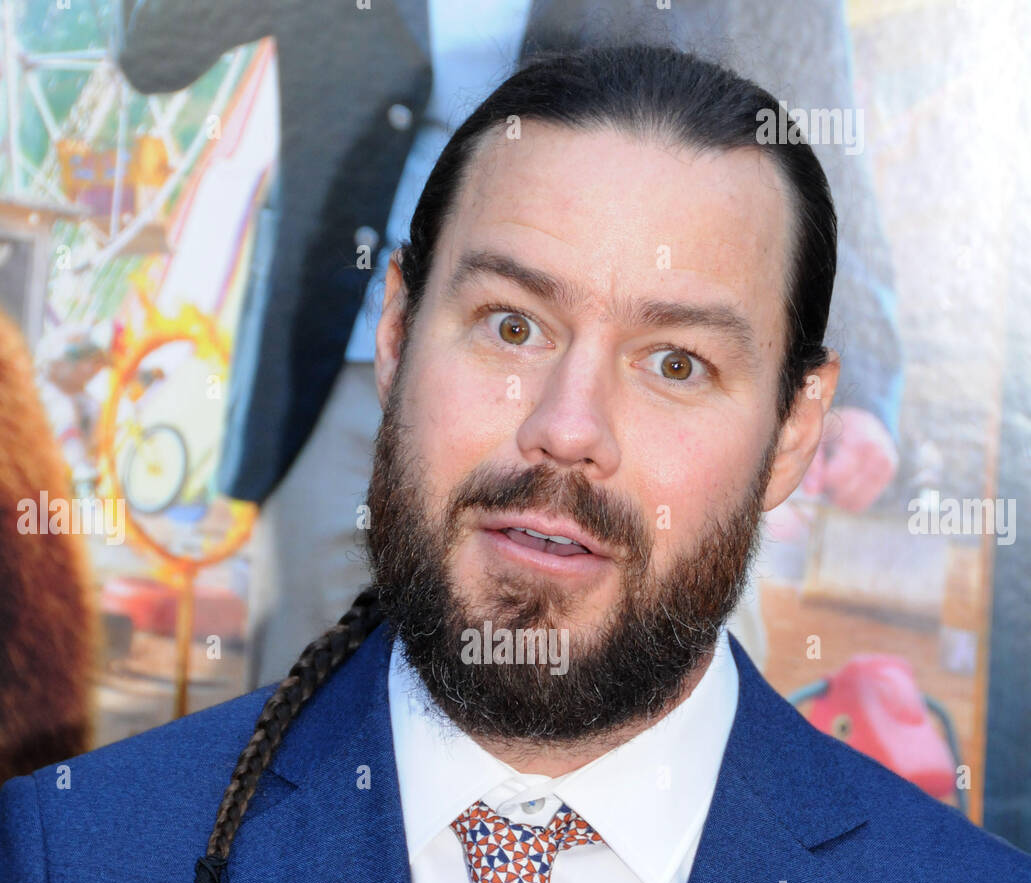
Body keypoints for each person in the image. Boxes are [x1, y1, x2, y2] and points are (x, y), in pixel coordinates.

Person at [2, 46, 1027, 883]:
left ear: (791, 433)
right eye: (510, 323)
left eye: (675, 363)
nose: (567, 424)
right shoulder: (70, 873)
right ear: (393, 330)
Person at [115, 0, 903, 687]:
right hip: (347, 363)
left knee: (666, 687)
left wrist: (863, 385)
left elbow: (817, 132)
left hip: (641, 378)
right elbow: (155, 47)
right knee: (313, 706)